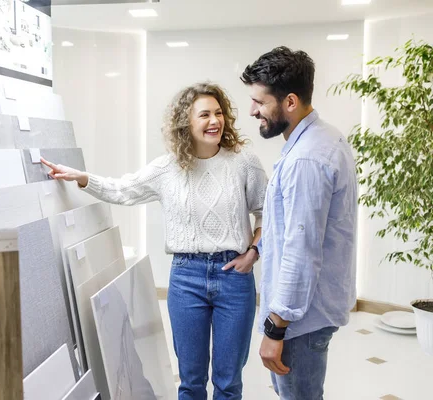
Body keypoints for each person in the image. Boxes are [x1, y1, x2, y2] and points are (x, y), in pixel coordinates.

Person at [41, 82, 268, 400]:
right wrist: (81, 177)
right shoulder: (168, 168)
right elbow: (122, 189)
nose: (214, 121)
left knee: (228, 383)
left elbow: (267, 214)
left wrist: (254, 253)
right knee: (190, 382)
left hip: (235, 277)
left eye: (218, 113)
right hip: (186, 278)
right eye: (204, 114)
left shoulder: (244, 162)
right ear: (186, 122)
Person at [241, 47, 358, 400]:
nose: (252, 110)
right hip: (311, 311)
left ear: (290, 102)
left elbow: (301, 250)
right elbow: (295, 226)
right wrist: (257, 249)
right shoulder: (323, 136)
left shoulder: (306, 158)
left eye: (259, 102)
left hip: (300, 321)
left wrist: (275, 330)